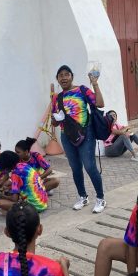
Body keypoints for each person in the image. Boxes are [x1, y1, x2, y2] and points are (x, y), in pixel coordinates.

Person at [51, 65, 106, 213]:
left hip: (85, 133)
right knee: (75, 168)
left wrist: (95, 84)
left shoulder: (82, 90)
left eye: (66, 74)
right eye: (60, 75)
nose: (63, 77)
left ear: (71, 76)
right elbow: (54, 121)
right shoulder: (57, 97)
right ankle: (83, 197)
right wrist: (56, 119)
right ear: (57, 79)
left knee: (89, 167)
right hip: (66, 135)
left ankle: (100, 198)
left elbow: (100, 104)